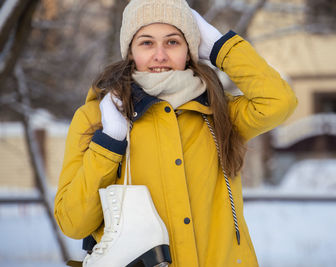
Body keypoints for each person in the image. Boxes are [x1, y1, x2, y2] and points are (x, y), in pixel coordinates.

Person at [54, 0, 297, 266]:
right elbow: (73, 223)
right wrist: (109, 143)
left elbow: (280, 102)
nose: (160, 55)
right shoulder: (95, 119)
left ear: (190, 50)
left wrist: (222, 48)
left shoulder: (220, 114)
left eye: (172, 42)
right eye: (146, 43)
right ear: (131, 51)